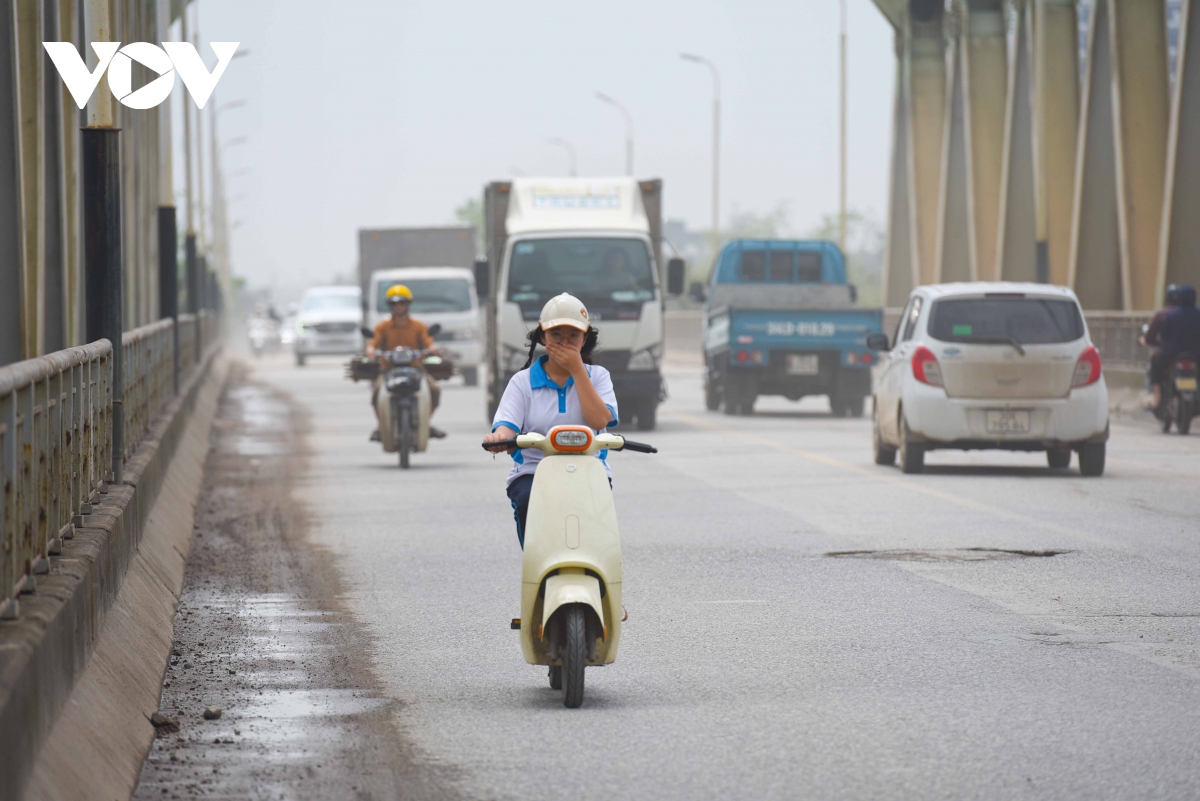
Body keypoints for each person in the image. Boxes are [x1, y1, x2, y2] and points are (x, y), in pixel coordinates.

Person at [483, 293, 618, 549]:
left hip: (589, 469)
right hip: (534, 471)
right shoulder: (521, 382)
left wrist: (578, 370)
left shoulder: (598, 377)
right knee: (526, 501)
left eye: (573, 336)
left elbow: (600, 419)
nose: (564, 343)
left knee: (594, 526)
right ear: (543, 336)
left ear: (585, 338)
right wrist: (498, 438)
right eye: (556, 335)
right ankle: (536, 567)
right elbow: (506, 426)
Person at [367, 284, 445, 440]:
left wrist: (432, 348)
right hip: (389, 370)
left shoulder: (419, 326)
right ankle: (381, 425)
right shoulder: (382, 327)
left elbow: (428, 341)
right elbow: (374, 343)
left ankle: (425, 422)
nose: (398, 307)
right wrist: (370, 350)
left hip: (415, 369)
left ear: (408, 304)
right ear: (390, 305)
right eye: (394, 303)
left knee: (434, 390)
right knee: (376, 393)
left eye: (402, 302)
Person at [1149, 284, 1200, 409]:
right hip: (1196, 353)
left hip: (1173, 353)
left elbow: (1164, 335)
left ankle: (1157, 395)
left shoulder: (1172, 315)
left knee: (1155, 364)